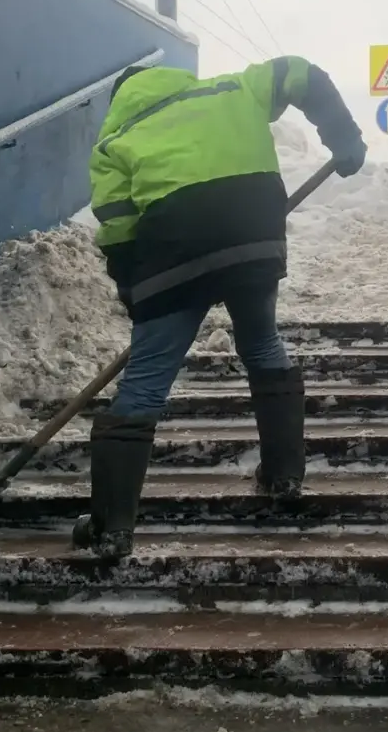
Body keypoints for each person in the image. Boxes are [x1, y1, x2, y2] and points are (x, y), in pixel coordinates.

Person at [78, 56, 367, 557]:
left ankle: (111, 527)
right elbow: (302, 74)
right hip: (253, 237)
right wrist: (344, 137)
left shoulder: (115, 139)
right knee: (261, 344)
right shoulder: (231, 88)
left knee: (146, 378)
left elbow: (120, 231)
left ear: (122, 97)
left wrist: (138, 297)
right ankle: (284, 479)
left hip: (172, 253)